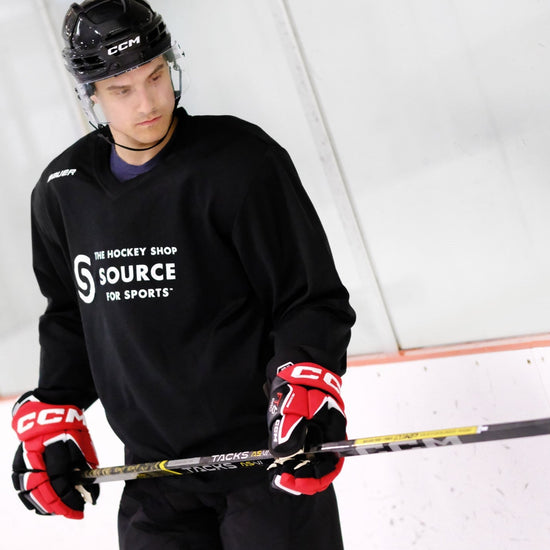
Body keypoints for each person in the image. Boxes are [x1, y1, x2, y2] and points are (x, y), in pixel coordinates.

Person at [10, 1, 356, 548]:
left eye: (155, 76)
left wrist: (307, 384)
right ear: (91, 94)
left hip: (263, 466)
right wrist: (56, 406)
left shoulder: (240, 161)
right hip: (155, 482)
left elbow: (308, 297)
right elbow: (72, 318)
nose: (148, 102)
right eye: (121, 90)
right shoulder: (62, 191)